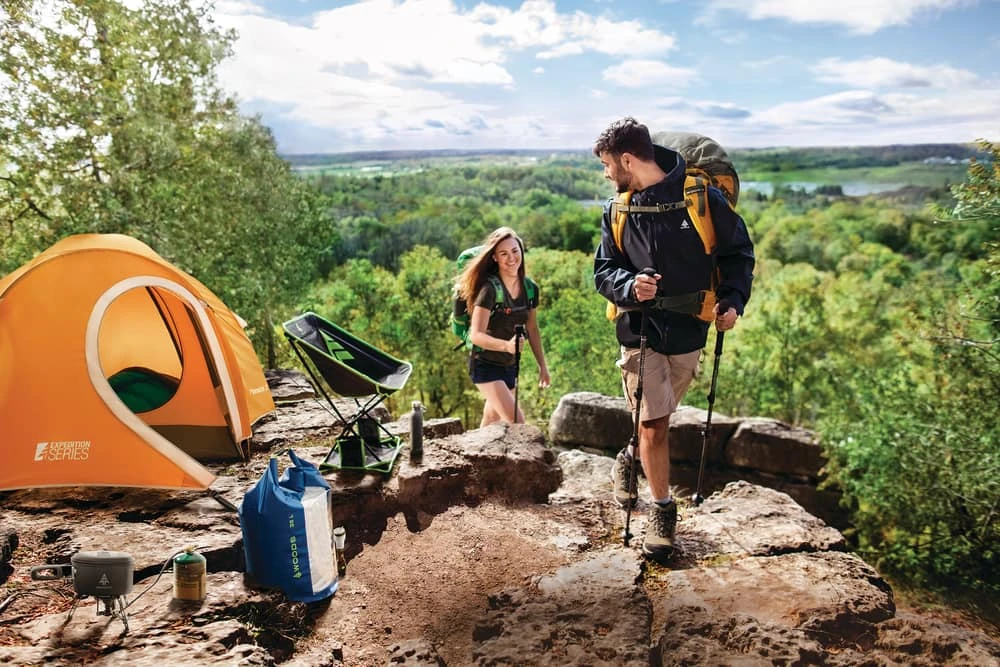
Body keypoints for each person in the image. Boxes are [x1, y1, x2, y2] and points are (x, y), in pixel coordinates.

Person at [592, 117, 755, 561]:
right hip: (638, 329)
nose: (606, 174)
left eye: (607, 165)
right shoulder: (617, 211)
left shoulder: (703, 200)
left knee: (660, 419)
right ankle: (663, 510)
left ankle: (629, 457)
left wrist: (733, 301)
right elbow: (603, 271)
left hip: (689, 329)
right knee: (653, 423)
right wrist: (630, 287)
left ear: (628, 160)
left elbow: (738, 254)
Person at [455, 227, 551, 427]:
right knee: (517, 422)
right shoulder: (489, 290)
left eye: (515, 251)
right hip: (485, 364)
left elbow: (532, 329)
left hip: (510, 365)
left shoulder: (530, 289)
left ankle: (477, 448)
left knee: (492, 420)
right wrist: (506, 346)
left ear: (521, 251)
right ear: (495, 258)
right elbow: (476, 335)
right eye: (504, 253)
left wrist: (542, 365)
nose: (511, 258)